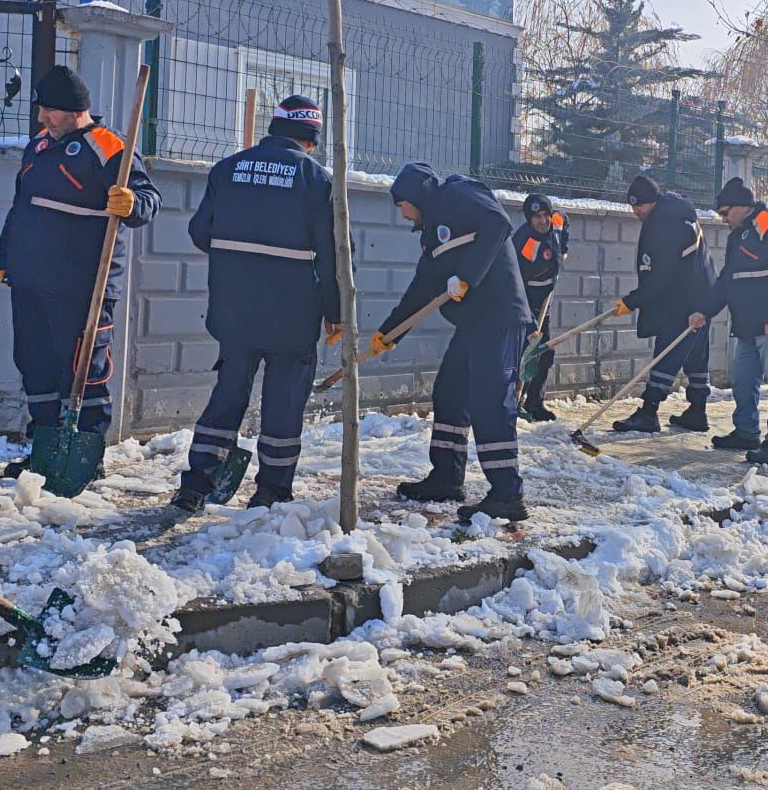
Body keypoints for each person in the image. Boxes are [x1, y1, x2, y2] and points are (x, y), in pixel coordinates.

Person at [173, 95, 342, 512]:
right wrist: (335, 314)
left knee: (228, 393)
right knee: (283, 402)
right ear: (310, 139)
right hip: (293, 313)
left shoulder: (228, 169)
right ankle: (271, 490)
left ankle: (196, 484)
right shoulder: (315, 178)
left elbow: (200, 233)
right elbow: (334, 252)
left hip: (233, 308)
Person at [0, 66, 161, 474]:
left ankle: (86, 453)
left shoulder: (108, 147)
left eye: (47, 110)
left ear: (72, 110)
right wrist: (4, 256)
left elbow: (148, 197)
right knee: (35, 363)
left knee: (83, 368)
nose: (41, 119)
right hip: (30, 278)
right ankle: (44, 449)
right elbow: (21, 207)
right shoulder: (38, 147)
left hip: (84, 282)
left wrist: (132, 204)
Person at [375, 163, 533, 522]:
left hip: (499, 318)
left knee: (490, 403)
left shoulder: (460, 194)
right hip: (473, 325)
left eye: (401, 205)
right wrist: (389, 334)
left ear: (415, 195)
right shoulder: (432, 235)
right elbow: (422, 288)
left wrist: (466, 276)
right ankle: (446, 476)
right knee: (449, 393)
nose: (401, 214)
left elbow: (498, 223)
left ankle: (508, 494)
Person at [689, 178, 768, 466]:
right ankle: (746, 432)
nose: (723, 219)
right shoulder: (737, 236)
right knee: (743, 381)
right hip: (746, 325)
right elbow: (728, 280)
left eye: (726, 212)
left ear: (742, 206)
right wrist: (704, 310)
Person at [610, 174, 713, 433]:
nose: (635, 211)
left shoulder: (666, 224)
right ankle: (697, 411)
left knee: (667, 353)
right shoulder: (678, 214)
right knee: (695, 355)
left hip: (681, 299)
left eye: (639, 206)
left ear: (653, 201)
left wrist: (632, 301)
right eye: (632, 206)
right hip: (700, 295)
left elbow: (661, 275)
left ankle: (648, 412)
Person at [512, 193, 569, 422]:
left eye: (546, 215)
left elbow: (564, 223)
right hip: (525, 302)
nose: (543, 221)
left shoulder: (556, 223)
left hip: (546, 297)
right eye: (537, 217)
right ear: (529, 219)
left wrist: (563, 249)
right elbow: (513, 278)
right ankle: (512, 400)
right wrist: (527, 316)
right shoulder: (524, 242)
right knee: (526, 353)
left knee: (545, 351)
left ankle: (535, 401)